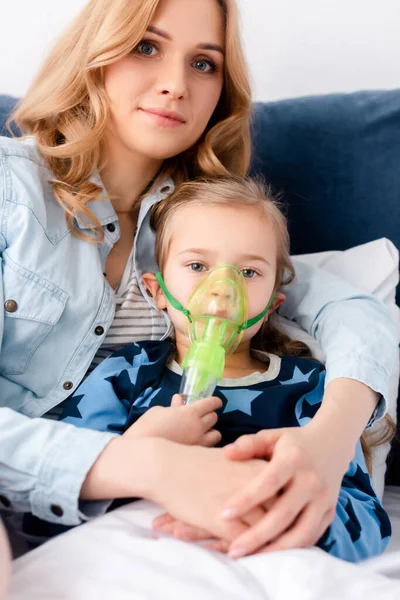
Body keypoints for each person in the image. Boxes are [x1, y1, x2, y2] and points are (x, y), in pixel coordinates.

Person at [0, 0, 397, 554]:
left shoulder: (204, 225)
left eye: (204, 63)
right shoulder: (10, 191)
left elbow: (355, 311)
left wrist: (329, 442)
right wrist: (142, 463)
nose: (175, 85)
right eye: (146, 46)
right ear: (95, 55)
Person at [53, 176, 392, 562]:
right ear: (158, 291)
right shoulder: (126, 374)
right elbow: (50, 499)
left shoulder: (309, 388)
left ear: (272, 304)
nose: (221, 290)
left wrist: (274, 510)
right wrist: (134, 450)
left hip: (267, 565)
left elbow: (369, 523)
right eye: (197, 265)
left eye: (248, 273)